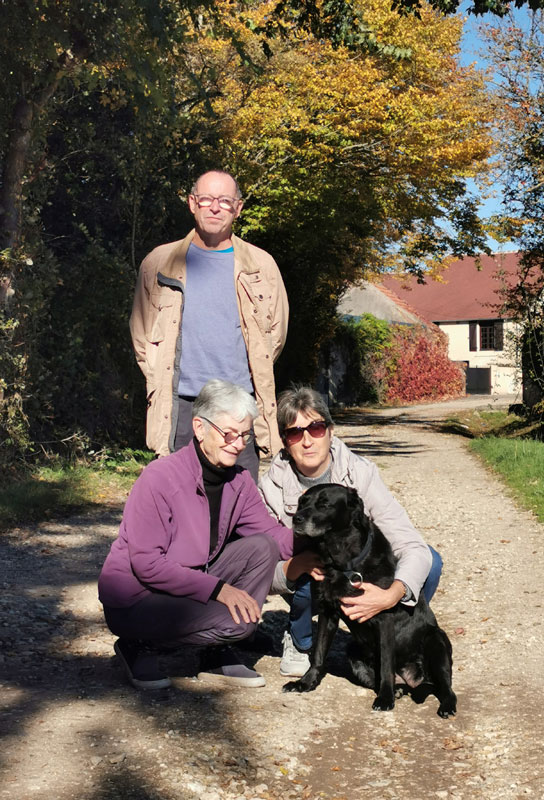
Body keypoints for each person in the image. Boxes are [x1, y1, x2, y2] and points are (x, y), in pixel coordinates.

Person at [98, 379, 293, 690]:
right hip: (136, 599)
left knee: (262, 547)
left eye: (245, 435)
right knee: (240, 623)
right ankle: (137, 644)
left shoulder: (239, 481)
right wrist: (219, 590)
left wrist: (314, 545)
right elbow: (147, 564)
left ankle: (212, 652)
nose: (239, 444)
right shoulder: (159, 477)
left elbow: (270, 533)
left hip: (185, 584)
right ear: (200, 428)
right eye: (229, 433)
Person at [259, 386, 443, 678]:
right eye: (295, 433)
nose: (307, 441)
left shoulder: (360, 473)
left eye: (316, 428)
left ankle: (395, 635)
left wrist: (391, 595)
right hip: (310, 583)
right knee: (311, 571)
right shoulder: (269, 488)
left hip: (359, 575)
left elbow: (412, 547)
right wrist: (292, 567)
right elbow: (258, 572)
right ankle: (299, 639)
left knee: (429, 563)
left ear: (331, 430)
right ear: (284, 441)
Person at [129, 169, 289, 481]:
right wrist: (159, 379)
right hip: (181, 407)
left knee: (239, 504)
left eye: (225, 201)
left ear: (238, 208)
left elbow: (274, 336)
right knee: (181, 503)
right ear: (192, 203)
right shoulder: (158, 263)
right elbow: (141, 335)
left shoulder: (261, 266)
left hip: (239, 405)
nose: (215, 207)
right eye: (206, 199)